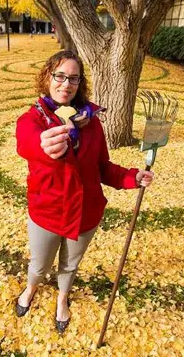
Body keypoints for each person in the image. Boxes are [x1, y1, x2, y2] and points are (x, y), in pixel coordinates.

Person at [15, 50, 154, 334]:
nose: (66, 84)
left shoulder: (92, 123)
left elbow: (103, 167)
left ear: (79, 84)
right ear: (47, 78)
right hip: (48, 211)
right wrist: (45, 145)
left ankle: (62, 300)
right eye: (60, 76)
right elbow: (27, 143)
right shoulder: (34, 120)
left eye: (73, 79)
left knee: (70, 265)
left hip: (85, 213)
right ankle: (31, 289)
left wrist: (132, 176)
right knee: (39, 265)